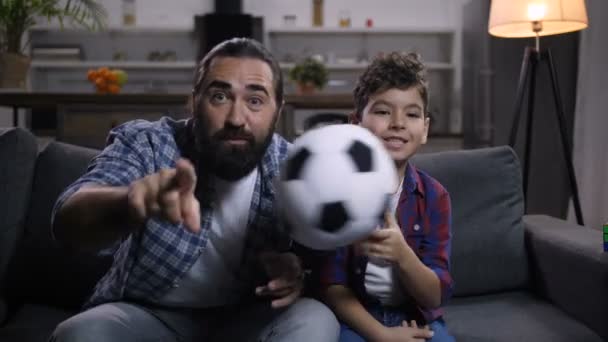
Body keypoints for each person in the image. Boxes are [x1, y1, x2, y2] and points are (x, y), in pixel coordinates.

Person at [49, 38, 339, 342]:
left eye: (254, 101)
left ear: (277, 111)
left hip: (247, 318)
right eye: (219, 96)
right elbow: (68, 221)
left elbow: (320, 258)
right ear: (194, 102)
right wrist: (129, 201)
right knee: (80, 333)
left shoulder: (292, 167)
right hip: (149, 314)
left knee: (315, 319)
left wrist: (295, 271)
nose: (236, 119)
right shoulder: (148, 143)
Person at [320, 52, 455, 342]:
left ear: (425, 129)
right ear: (356, 123)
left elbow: (435, 296)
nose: (398, 123)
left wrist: (403, 255)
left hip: (415, 316)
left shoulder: (435, 197)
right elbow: (332, 286)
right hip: (358, 319)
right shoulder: (336, 193)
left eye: (412, 114)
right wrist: (381, 335)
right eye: (382, 111)